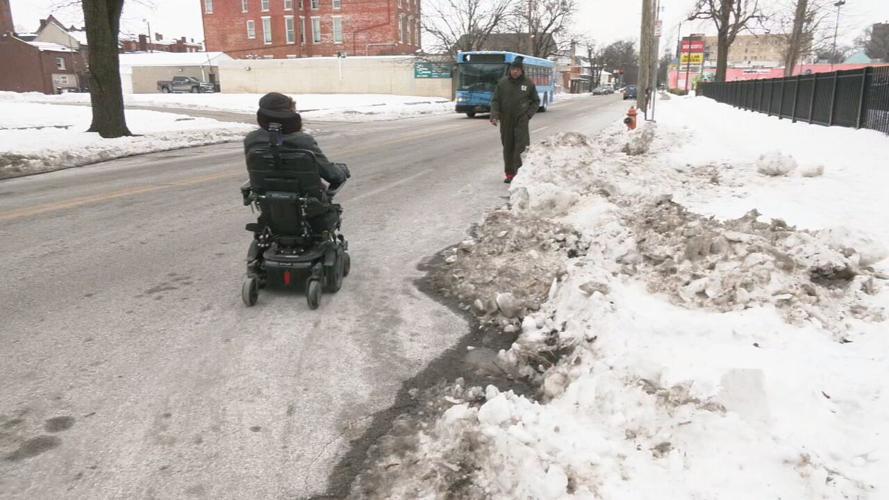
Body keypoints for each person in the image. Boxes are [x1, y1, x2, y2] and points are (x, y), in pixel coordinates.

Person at [244, 92, 350, 231]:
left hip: (268, 201)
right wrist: (341, 171)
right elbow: (331, 174)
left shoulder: (251, 139)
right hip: (307, 203)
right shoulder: (302, 140)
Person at [490, 56, 540, 184]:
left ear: (522, 70)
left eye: (517, 69)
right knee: (508, 147)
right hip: (506, 120)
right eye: (513, 69)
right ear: (510, 70)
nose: (515, 72)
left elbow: (536, 101)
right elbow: (495, 101)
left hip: (521, 120)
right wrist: (494, 115)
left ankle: (520, 173)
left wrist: (528, 115)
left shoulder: (528, 83)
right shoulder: (502, 83)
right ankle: (510, 174)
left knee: (521, 147)